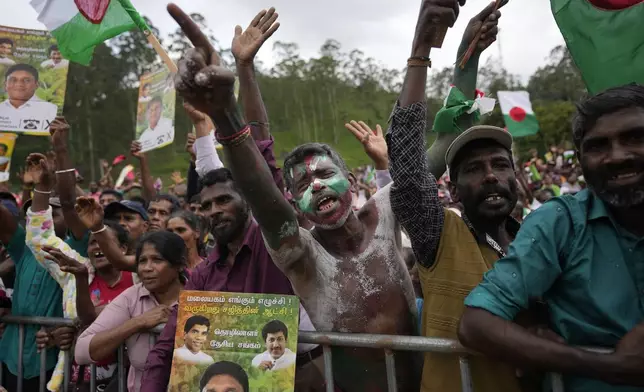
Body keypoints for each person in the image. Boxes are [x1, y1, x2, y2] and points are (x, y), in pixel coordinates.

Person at [167, 5, 418, 392]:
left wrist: (424, 45)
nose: (315, 186)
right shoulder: (300, 253)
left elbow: (423, 150)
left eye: (323, 175)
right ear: (292, 200)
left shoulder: (386, 209)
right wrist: (225, 116)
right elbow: (263, 192)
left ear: (350, 180)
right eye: (301, 185)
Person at [143, 9, 327, 392]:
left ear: (248, 203)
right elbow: (170, 342)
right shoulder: (204, 274)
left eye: (224, 200)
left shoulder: (272, 245)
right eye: (206, 206)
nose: (214, 210)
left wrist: (243, 73)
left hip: (302, 379)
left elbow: (263, 164)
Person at [458, 84, 644, 391]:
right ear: (580, 160)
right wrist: (610, 366)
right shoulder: (559, 222)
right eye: (598, 146)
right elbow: (477, 322)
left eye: (635, 137)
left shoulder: (523, 229)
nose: (617, 156)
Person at [384, 1, 527, 391]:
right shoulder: (440, 234)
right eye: (472, 170)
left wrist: (470, 57)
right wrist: (421, 50)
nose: (491, 177)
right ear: (454, 189)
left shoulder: (539, 240)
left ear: (516, 176)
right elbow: (409, 169)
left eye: (500, 165)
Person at [75, 231, 186, 392]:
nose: (147, 268)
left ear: (179, 265)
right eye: (142, 261)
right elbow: (82, 351)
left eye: (157, 260)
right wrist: (137, 323)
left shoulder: (199, 296)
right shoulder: (132, 296)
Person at [0, 64, 58, 132]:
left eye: (26, 80)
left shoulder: (51, 110)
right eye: (13, 80)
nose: (19, 84)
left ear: (36, 85)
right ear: (5, 85)